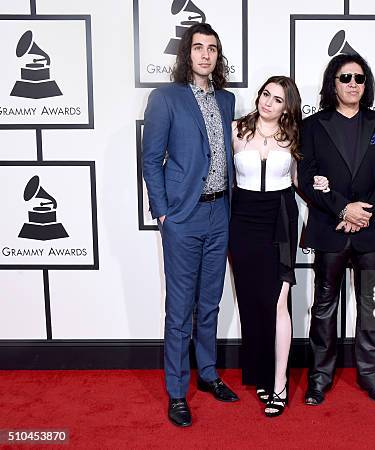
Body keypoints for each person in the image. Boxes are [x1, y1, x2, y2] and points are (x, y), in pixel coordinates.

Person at [142, 23, 239, 428]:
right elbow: (151, 159)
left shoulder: (228, 100)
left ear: (217, 56)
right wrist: (163, 213)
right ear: (187, 54)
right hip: (183, 215)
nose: (205, 55)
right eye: (198, 48)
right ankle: (177, 392)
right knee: (180, 308)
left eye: (212, 49)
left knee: (210, 300)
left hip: (221, 213)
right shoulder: (165, 98)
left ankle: (209, 374)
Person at [297, 53, 375, 406]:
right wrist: (343, 208)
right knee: (324, 306)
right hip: (330, 227)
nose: (353, 84)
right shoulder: (313, 126)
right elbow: (307, 180)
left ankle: (371, 376)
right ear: (333, 83)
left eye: (359, 78)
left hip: (370, 232)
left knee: (370, 305)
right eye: (345, 78)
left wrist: (363, 213)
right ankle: (320, 378)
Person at [229, 76, 316, 417]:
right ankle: (262, 374)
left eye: (277, 99)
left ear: (287, 106)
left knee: (279, 301)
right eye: (266, 94)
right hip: (242, 219)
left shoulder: (295, 136)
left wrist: (333, 206)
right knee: (252, 301)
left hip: (279, 218)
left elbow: (300, 182)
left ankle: (279, 384)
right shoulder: (236, 130)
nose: (268, 102)